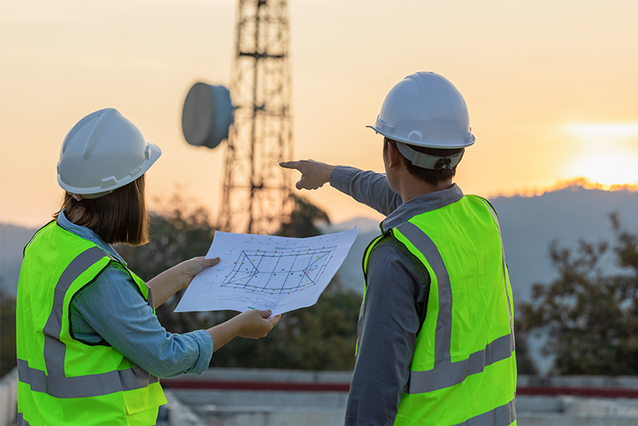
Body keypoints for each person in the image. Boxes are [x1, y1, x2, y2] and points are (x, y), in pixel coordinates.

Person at [16, 108, 281, 426]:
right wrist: (238, 327)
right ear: (126, 193)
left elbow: (111, 314)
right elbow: (165, 357)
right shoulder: (97, 275)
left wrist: (181, 275)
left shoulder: (47, 243)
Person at [281, 72, 517, 425]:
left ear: (391, 151)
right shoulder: (483, 219)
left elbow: (373, 395)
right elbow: (405, 199)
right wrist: (331, 173)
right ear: (458, 152)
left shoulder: (397, 258)